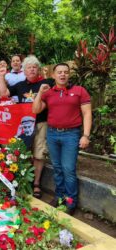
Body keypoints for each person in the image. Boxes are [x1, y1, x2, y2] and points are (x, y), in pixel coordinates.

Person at [33, 63, 92, 215]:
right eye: (59, 72)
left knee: (68, 169)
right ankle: (59, 197)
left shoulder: (79, 91)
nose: (63, 75)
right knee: (57, 169)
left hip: (71, 134)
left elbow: (87, 113)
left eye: (66, 72)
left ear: (69, 74)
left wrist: (85, 135)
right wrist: (39, 93)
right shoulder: (49, 93)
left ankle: (71, 202)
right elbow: (35, 109)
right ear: (53, 75)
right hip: (52, 134)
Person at [0, 55, 54, 199]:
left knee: (39, 154)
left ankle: (36, 183)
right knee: (22, 153)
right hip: (24, 125)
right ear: (24, 70)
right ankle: (22, 182)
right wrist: (2, 77)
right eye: (29, 67)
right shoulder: (20, 85)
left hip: (42, 123)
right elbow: (3, 94)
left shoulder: (47, 83)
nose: (32, 70)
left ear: (39, 69)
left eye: (35, 67)